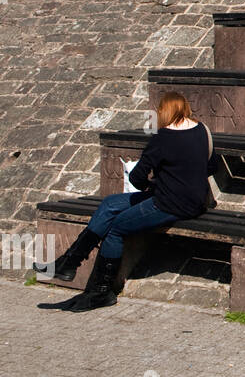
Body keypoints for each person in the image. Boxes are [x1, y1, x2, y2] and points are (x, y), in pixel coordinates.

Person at [36, 92, 216, 312]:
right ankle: (68, 263)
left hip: (171, 204)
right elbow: (212, 167)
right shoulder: (202, 130)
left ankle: (102, 292)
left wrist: (154, 185)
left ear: (164, 111)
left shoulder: (162, 138)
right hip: (192, 200)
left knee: (116, 228)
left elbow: (137, 178)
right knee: (110, 204)